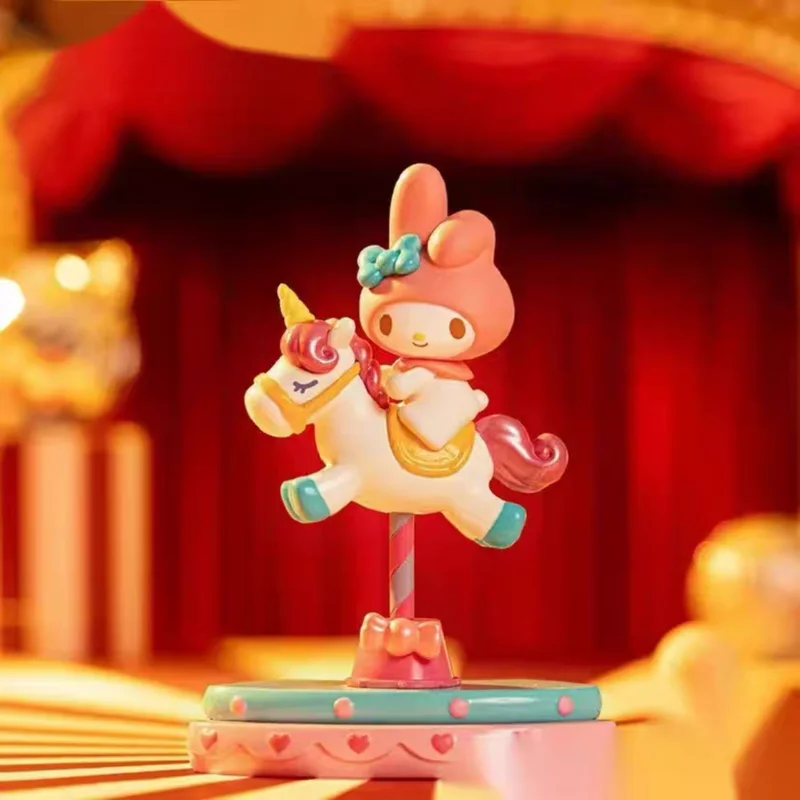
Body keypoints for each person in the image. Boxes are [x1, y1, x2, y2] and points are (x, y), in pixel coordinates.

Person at [357, 163, 514, 452]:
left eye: (455, 327)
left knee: (414, 420)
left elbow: (399, 388)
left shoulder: (425, 374)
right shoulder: (410, 367)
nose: (419, 337)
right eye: (388, 323)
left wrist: (393, 384)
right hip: (431, 401)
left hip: (441, 408)